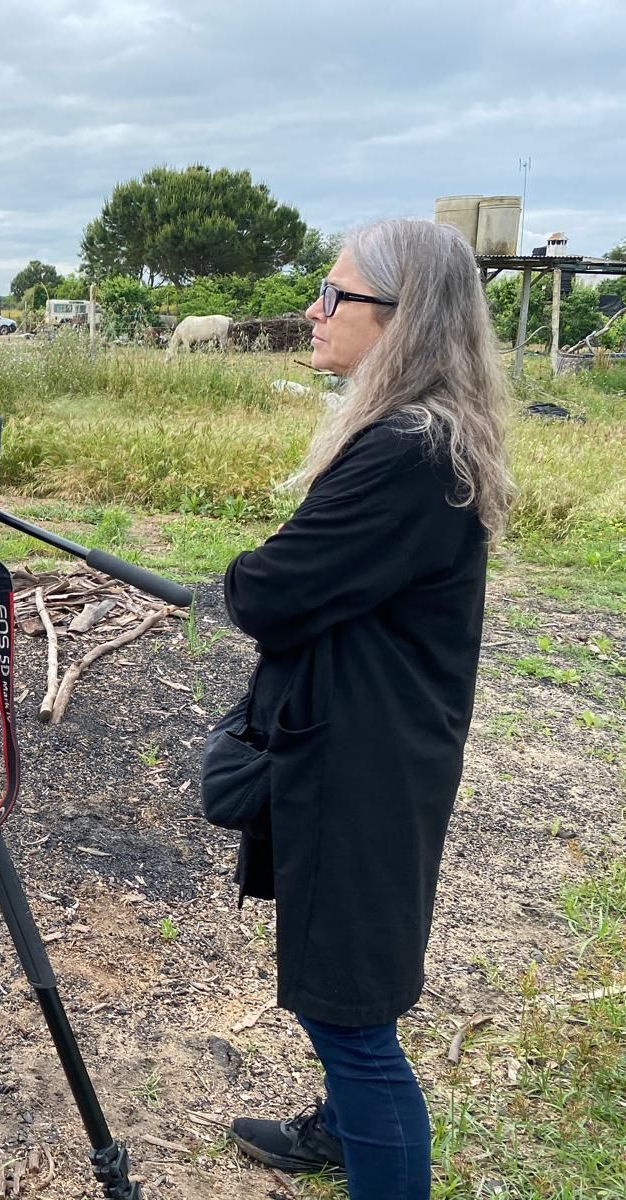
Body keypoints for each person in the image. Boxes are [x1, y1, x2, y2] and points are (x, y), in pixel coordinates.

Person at [219, 220, 513, 1199]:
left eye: (333, 295)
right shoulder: (420, 434)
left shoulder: (406, 449)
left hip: (364, 770)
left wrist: (246, 572)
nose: (313, 309)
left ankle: (366, 1137)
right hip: (371, 746)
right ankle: (342, 1131)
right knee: (335, 982)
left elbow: (270, 591)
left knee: (349, 1016)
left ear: (402, 318)